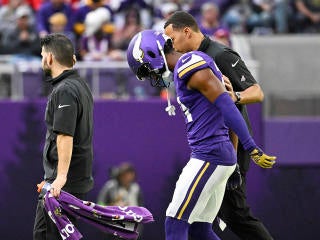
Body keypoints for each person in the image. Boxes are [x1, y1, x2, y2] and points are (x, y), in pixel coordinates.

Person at [126, 29, 276, 240]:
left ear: (151, 54)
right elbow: (225, 111)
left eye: (146, 69)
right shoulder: (193, 64)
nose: (150, 75)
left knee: (174, 222)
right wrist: (233, 161)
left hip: (209, 154)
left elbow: (227, 105)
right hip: (218, 154)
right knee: (199, 229)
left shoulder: (190, 64)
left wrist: (249, 146)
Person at [163, 11, 274, 240]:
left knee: (234, 213)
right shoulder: (191, 60)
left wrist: (235, 97)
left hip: (233, 139)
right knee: (204, 221)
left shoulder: (219, 54)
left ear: (186, 31)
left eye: (172, 39)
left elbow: (257, 92)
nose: (170, 46)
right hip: (221, 139)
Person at [33, 33, 94, 240]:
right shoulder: (80, 85)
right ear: (73, 60)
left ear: (50, 58)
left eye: (43, 55)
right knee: (42, 234)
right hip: (63, 181)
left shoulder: (65, 90)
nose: (42, 59)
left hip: (63, 184)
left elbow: (65, 136)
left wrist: (60, 178)